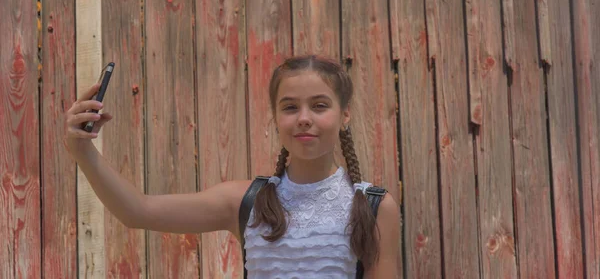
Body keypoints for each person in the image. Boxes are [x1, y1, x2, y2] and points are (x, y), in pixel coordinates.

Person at [65, 54, 400, 278]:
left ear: (345, 115)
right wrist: (83, 152)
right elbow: (138, 211)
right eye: (289, 107)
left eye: (320, 105)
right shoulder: (246, 202)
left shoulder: (373, 207)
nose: (304, 119)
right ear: (275, 117)